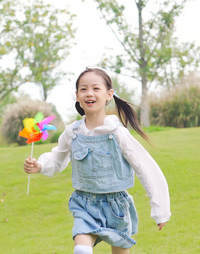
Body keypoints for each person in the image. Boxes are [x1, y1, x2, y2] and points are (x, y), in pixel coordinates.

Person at [23, 67, 170, 254]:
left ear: (109, 94)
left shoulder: (118, 133)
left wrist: (160, 210)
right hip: (85, 204)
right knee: (82, 250)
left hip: (117, 206)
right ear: (77, 95)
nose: (89, 93)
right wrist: (40, 165)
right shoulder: (73, 132)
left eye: (96, 88)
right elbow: (58, 157)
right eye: (83, 89)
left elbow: (146, 168)